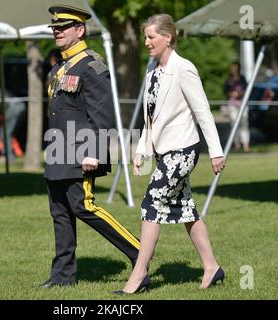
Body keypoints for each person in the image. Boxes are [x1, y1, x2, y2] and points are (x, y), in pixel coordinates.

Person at [112, 14, 226, 294]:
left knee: (151, 203)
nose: (147, 42)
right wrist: (141, 150)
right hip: (164, 153)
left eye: (151, 37)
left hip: (183, 151)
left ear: (168, 37)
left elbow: (203, 112)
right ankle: (212, 267)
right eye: (146, 37)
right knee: (186, 209)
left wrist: (216, 151)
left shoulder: (184, 69)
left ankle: (139, 274)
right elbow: (151, 117)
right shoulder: (152, 70)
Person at [41, 4, 140, 288]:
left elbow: (102, 113)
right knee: (60, 213)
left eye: (63, 28)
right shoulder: (60, 67)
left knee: (84, 206)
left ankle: (139, 252)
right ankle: (63, 277)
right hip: (58, 150)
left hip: (82, 152)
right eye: (55, 28)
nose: (57, 32)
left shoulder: (92, 65)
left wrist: (94, 153)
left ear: (80, 30)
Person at [223, 62, 250, 152]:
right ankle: (236, 144)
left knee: (244, 123)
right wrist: (231, 93)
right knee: (234, 124)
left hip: (242, 104)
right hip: (232, 105)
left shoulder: (242, 79)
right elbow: (225, 91)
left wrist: (239, 93)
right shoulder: (228, 80)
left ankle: (246, 144)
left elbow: (247, 90)